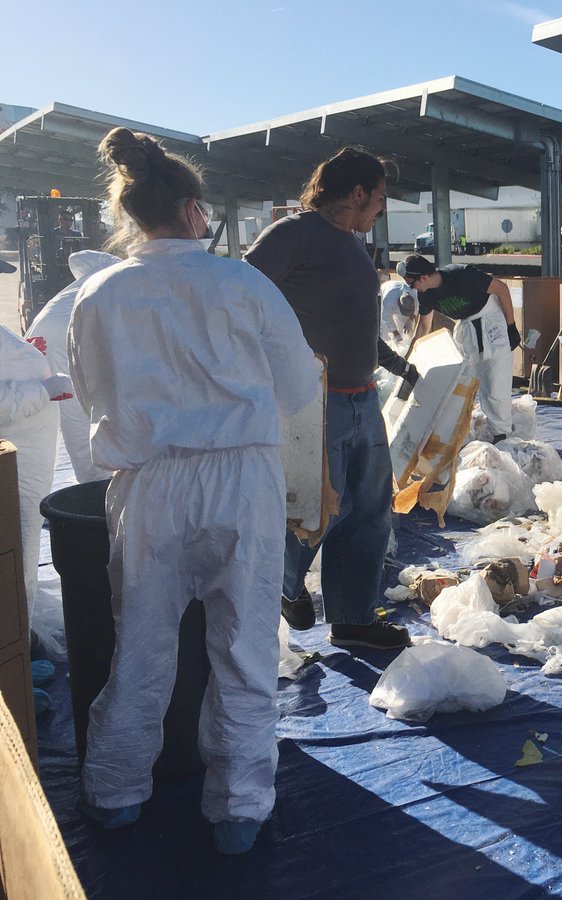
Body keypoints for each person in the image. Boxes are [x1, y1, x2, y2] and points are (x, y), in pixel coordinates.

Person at [68, 127, 320, 853]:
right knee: (243, 648)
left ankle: (114, 792)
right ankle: (238, 809)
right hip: (241, 478)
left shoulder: (99, 294)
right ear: (191, 210)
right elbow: (298, 388)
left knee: (140, 646)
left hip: (147, 484)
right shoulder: (243, 283)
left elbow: (92, 396)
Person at [245, 147, 416, 650]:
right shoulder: (293, 234)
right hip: (315, 403)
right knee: (317, 508)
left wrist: (396, 364)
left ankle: (353, 618)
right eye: (379, 198)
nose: (382, 209)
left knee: (369, 512)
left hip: (362, 397)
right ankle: (284, 584)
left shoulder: (352, 245)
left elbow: (357, 325)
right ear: (357, 193)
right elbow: (240, 297)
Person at [1, 323, 73, 715]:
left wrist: (25, 358)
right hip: (9, 479)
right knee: (10, 576)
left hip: (19, 478)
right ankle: (10, 689)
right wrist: (42, 390)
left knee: (20, 568)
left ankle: (16, 666)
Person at [25, 250, 123, 484]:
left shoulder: (107, 266)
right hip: (71, 328)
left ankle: (89, 481)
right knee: (80, 409)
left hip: (42, 329)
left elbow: (76, 258)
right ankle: (95, 486)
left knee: (54, 408)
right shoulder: (139, 275)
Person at [404, 253, 518, 440]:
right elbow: (424, 326)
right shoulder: (426, 295)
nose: (413, 289)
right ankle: (459, 434)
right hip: (467, 327)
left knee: (496, 382)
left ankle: (502, 433)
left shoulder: (461, 274)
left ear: (423, 277)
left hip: (491, 320)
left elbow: (501, 288)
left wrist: (511, 325)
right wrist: (410, 357)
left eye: (412, 284)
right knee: (462, 381)